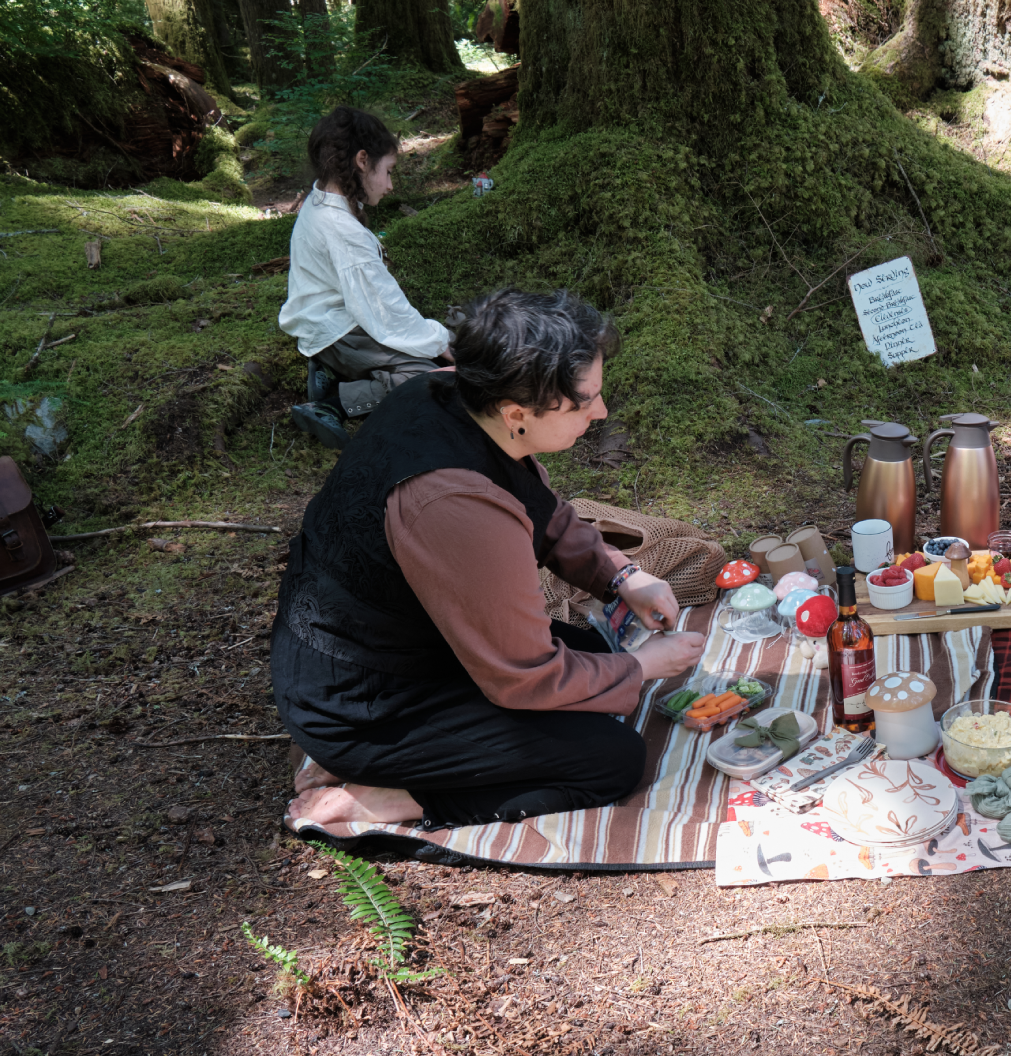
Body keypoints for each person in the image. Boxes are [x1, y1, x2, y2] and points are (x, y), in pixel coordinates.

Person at [272, 288, 707, 830]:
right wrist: (644, 666)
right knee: (610, 758)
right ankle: (391, 795)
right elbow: (522, 677)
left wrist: (621, 575)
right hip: (366, 705)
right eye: (585, 400)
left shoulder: (448, 390)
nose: (602, 411)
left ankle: (393, 765)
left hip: (401, 649)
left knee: (593, 652)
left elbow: (540, 510)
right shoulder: (453, 503)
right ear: (517, 413)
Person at [279, 106, 452, 451]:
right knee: (438, 380)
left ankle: (329, 371)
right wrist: (439, 341)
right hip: (339, 330)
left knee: (433, 355)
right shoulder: (342, 230)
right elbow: (382, 308)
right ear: (362, 160)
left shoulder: (321, 199)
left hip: (330, 322)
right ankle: (333, 402)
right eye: (387, 172)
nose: (389, 185)